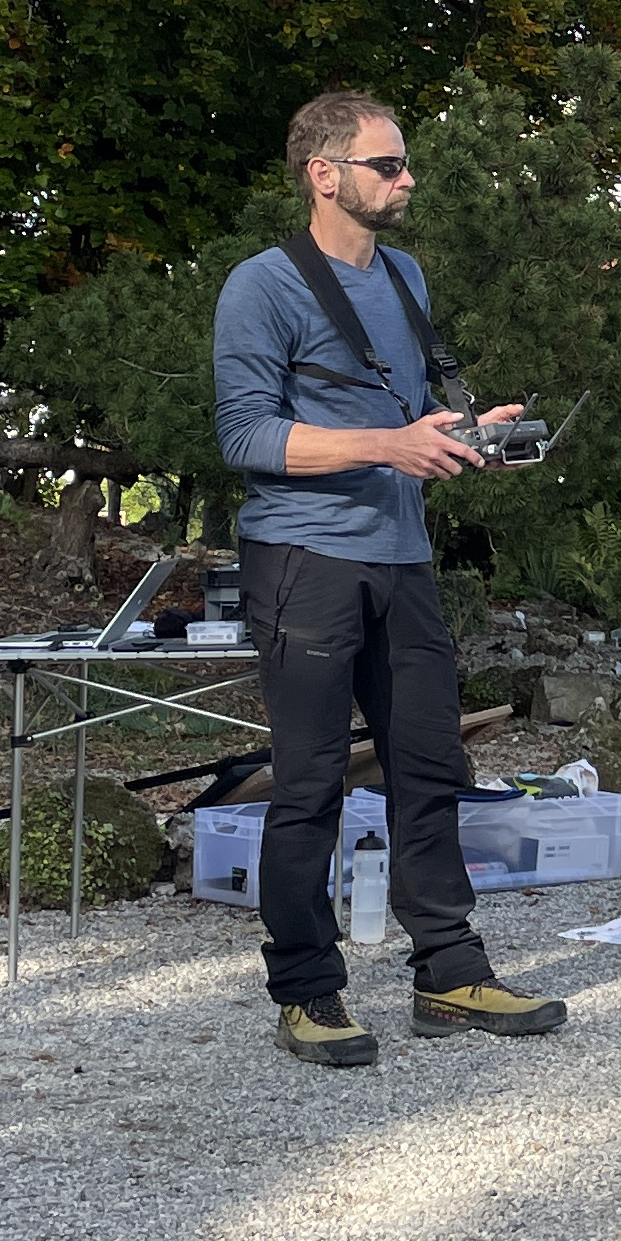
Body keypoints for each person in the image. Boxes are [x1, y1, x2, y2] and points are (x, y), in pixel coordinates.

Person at [212, 91, 569, 1068]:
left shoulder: (406, 276)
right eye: (387, 165)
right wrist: (388, 444)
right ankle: (306, 990)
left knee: (430, 765)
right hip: (304, 557)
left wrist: (465, 435)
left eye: (405, 163)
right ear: (324, 174)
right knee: (310, 781)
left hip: (402, 557)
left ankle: (449, 973)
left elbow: (405, 418)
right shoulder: (262, 283)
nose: (407, 179)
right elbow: (246, 434)